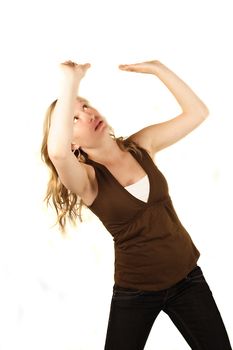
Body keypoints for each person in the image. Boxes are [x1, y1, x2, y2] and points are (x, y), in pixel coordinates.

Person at [41, 59, 232, 350]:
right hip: (136, 292)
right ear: (71, 142)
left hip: (188, 278)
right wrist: (71, 80)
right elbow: (56, 152)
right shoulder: (88, 180)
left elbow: (197, 113)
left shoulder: (141, 146)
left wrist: (159, 69)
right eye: (74, 118)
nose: (88, 113)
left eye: (86, 106)